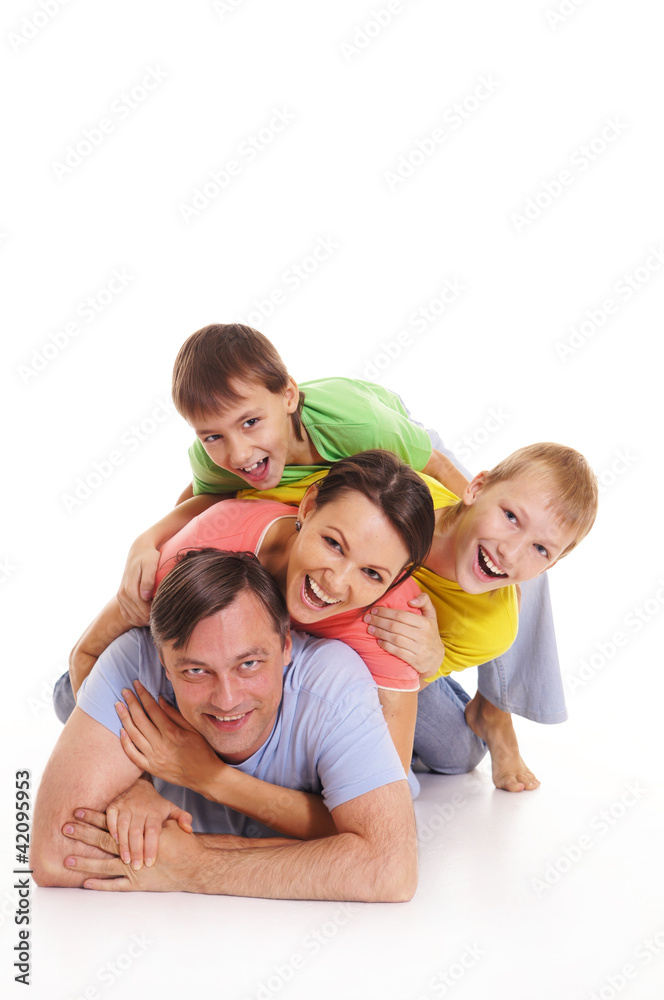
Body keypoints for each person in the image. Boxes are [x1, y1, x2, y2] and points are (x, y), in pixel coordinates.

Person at [110, 322, 575, 791]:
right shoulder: (227, 460)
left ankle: (496, 707)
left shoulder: (359, 426)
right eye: (215, 436)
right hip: (338, 521)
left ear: (289, 398)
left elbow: (429, 459)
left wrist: (477, 510)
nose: (238, 449)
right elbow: (202, 510)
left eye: (250, 424)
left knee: (521, 536)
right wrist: (148, 544)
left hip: (403, 450)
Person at [32, 550, 417, 900]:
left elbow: (389, 867)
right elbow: (54, 855)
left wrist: (193, 864)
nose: (227, 700)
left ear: (286, 645)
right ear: (164, 663)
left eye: (248, 664)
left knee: (454, 754)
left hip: (393, 721)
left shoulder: (335, 684)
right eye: (196, 671)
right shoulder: (136, 664)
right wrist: (134, 784)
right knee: (69, 694)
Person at [60, 451, 440, 773]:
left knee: (457, 752)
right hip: (214, 682)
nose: (337, 583)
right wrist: (146, 784)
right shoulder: (206, 549)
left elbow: (386, 789)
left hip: (327, 689)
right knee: (69, 698)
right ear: (308, 507)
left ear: (397, 579)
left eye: (372, 573)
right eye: (333, 543)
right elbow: (86, 654)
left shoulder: (392, 623)